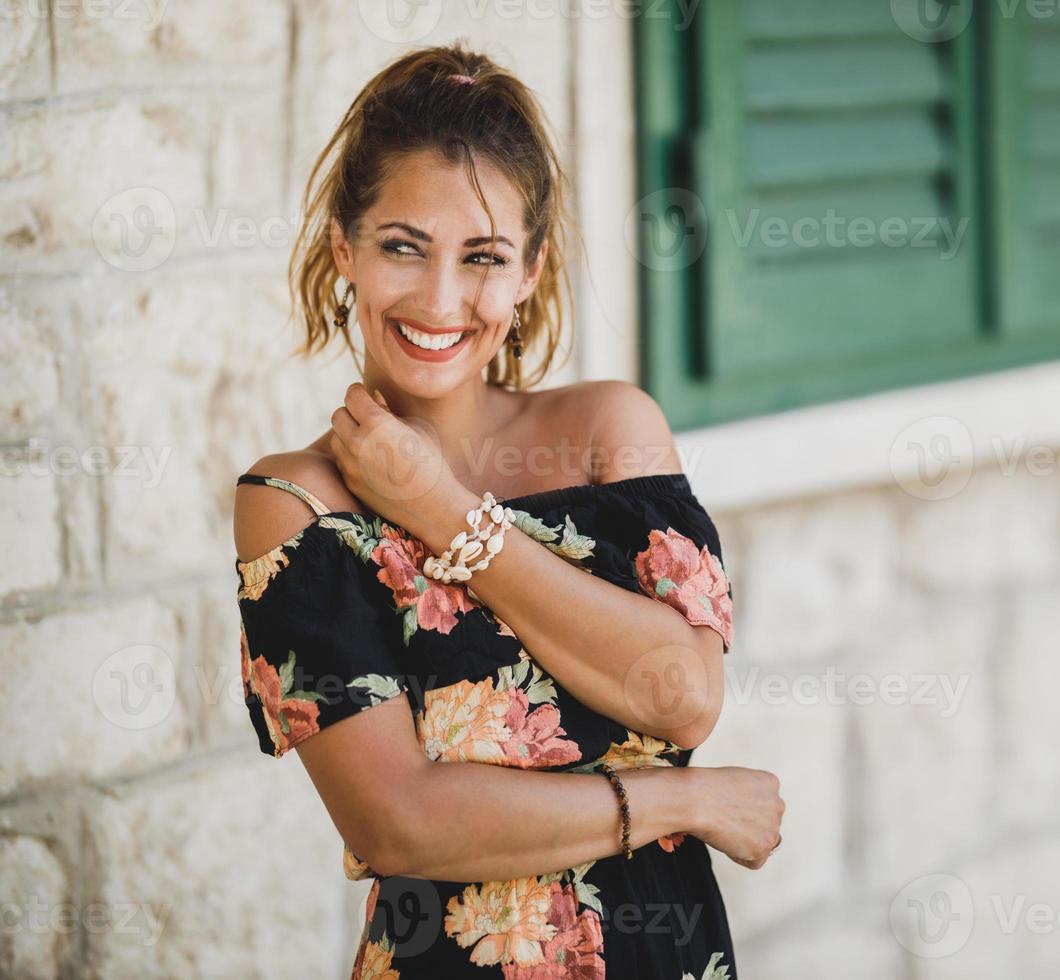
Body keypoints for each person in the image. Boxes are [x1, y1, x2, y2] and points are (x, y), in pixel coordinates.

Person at [231, 42, 783, 979]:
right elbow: (399, 823)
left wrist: (441, 512)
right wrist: (681, 804)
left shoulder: (610, 433)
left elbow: (683, 699)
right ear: (344, 251)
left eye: (482, 257)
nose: (440, 300)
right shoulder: (293, 505)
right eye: (403, 246)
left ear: (527, 273)